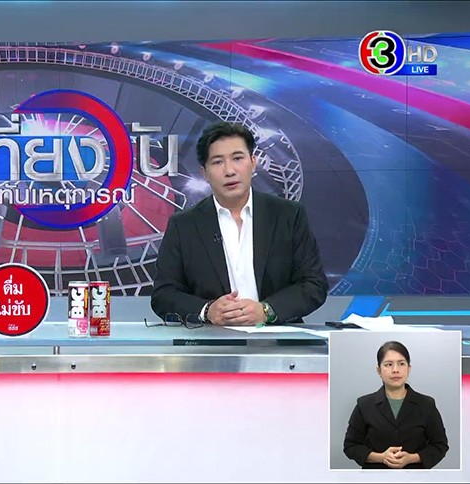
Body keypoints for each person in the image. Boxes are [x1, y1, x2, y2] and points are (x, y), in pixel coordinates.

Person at [150, 121, 327, 325]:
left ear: (253, 162)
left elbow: (314, 284)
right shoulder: (184, 225)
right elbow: (163, 295)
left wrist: (267, 311)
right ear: (204, 173)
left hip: (278, 336)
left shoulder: (288, 215)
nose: (229, 171)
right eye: (218, 162)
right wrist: (207, 311)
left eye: (237, 158)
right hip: (211, 338)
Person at [343, 341, 449, 469]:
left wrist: (412, 458)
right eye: (388, 364)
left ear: (409, 368)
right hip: (375, 475)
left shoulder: (426, 404)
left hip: (415, 475)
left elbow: (440, 445)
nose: (395, 370)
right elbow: (351, 446)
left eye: (401, 364)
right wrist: (381, 457)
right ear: (379, 370)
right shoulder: (364, 405)